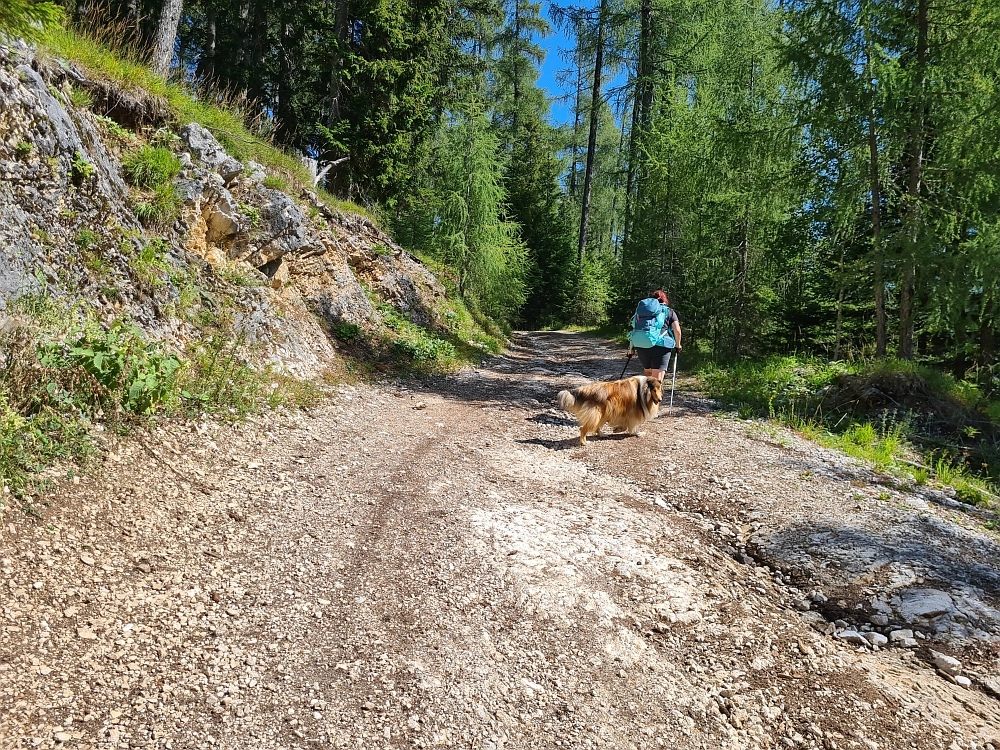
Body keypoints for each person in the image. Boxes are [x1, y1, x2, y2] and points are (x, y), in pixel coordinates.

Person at [633, 290, 681, 383]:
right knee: (656, 383)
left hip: (642, 345)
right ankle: (653, 397)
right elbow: (677, 331)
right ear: (664, 300)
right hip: (661, 347)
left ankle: (646, 397)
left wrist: (630, 348)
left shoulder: (642, 312)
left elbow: (635, 328)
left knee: (647, 377)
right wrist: (678, 345)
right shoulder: (669, 311)